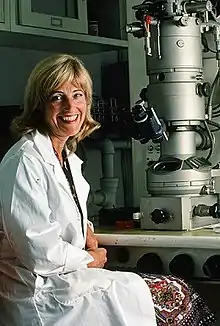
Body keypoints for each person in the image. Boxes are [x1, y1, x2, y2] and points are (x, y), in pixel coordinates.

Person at [0, 53, 215, 326]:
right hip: (41, 294)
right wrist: (89, 258)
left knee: (178, 294)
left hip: (67, 278)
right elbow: (38, 251)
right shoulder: (25, 161)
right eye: (57, 96)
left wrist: (87, 231)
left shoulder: (64, 155)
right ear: (39, 105)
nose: (70, 106)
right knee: (174, 296)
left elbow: (62, 212)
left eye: (78, 95)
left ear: (87, 101)